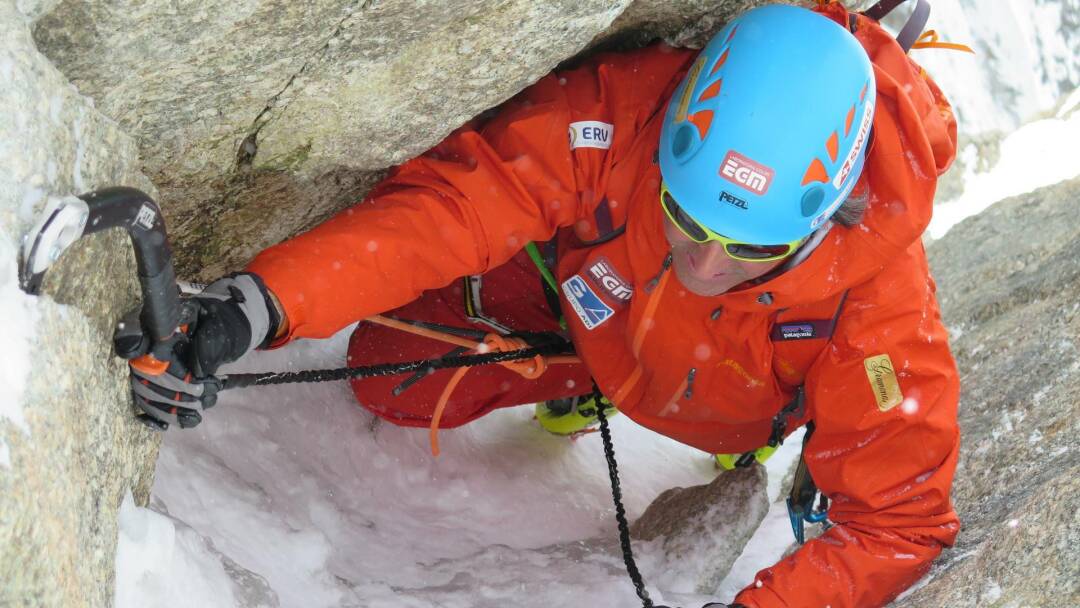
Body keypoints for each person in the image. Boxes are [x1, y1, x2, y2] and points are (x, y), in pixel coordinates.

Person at [130, 2, 962, 606]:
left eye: (752, 251)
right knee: (391, 377)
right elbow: (455, 208)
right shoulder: (622, 116)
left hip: (732, 400)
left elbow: (898, 526)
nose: (706, 263)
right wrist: (259, 305)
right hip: (596, 314)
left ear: (831, 217)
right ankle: (574, 379)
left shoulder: (880, 304)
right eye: (684, 216)